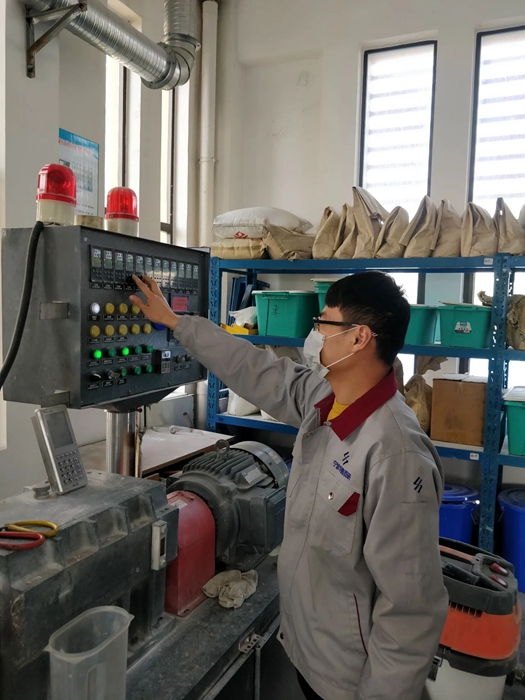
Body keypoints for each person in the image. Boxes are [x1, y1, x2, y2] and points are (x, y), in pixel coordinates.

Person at [130, 270, 448, 700]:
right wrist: (177, 322)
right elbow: (253, 368)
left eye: (324, 322)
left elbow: (411, 611)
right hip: (307, 650)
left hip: (350, 680)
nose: (314, 335)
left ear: (359, 338)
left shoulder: (396, 453)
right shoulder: (326, 399)